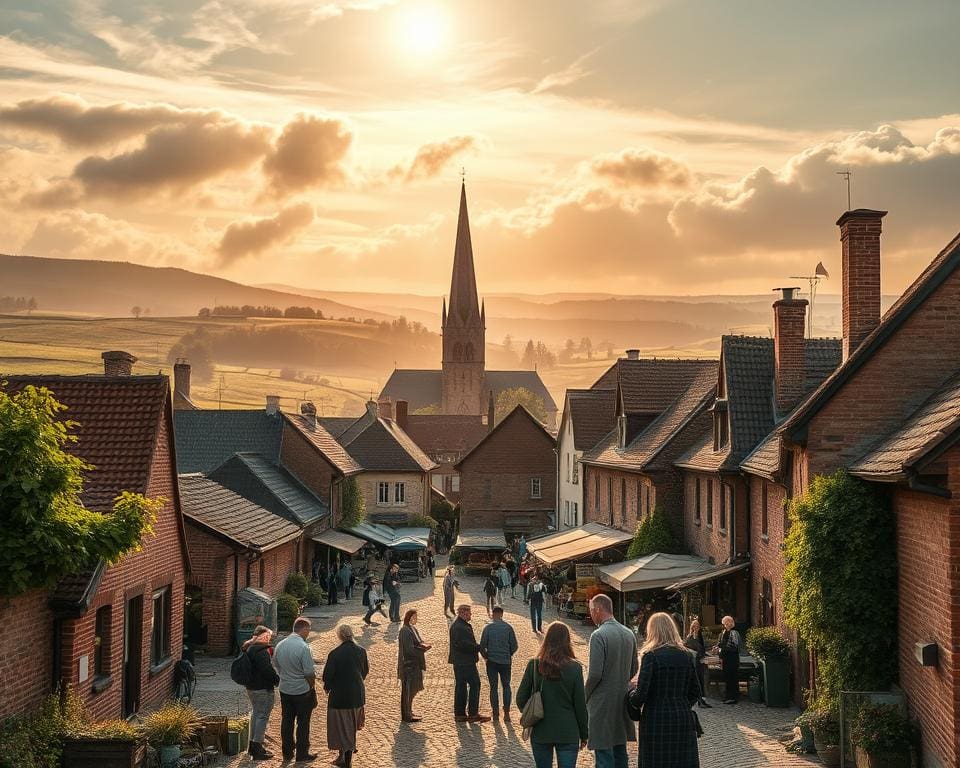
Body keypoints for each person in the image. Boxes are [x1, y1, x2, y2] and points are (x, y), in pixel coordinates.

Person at [628, 613, 701, 767]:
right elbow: (696, 691)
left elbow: (641, 695)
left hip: (656, 719)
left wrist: (630, 695)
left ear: (652, 631)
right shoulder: (686, 655)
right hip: (682, 717)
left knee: (656, 762)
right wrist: (681, 705)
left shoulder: (651, 656)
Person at [516, 622, 588, 768]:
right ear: (567, 641)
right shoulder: (575, 668)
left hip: (541, 730)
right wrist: (584, 733)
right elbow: (580, 705)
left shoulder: (534, 665)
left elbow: (520, 699)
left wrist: (533, 712)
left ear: (547, 639)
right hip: (567, 731)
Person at [585, 594, 638, 768]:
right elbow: (634, 668)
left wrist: (584, 695)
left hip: (602, 702)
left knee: (604, 752)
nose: (591, 614)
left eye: (591, 610)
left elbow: (594, 674)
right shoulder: (629, 633)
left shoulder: (598, 635)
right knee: (619, 749)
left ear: (599, 610)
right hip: (622, 700)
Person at [322, 624, 369, 768]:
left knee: (342, 728)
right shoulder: (361, 651)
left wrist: (327, 687)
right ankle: (343, 757)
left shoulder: (335, 653)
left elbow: (327, 676)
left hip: (340, 697)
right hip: (357, 695)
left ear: (340, 636)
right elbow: (365, 671)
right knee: (351, 727)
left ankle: (346, 760)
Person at [273, 617, 318, 763]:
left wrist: (285, 676)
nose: (309, 633)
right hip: (301, 690)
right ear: (303, 629)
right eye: (309, 630)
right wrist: (312, 686)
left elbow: (277, 665)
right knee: (303, 722)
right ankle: (302, 753)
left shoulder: (280, 645)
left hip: (285, 689)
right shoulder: (304, 647)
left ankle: (287, 752)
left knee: (286, 720)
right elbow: (309, 673)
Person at [448, 604, 491, 724]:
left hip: (460, 661)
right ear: (462, 613)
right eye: (469, 613)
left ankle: (460, 714)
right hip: (465, 661)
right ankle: (473, 713)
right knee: (475, 684)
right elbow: (462, 645)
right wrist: (479, 647)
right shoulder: (460, 627)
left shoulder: (459, 625)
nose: (470, 615)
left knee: (461, 687)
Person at [241, 625, 280, 761]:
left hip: (251, 687)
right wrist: (277, 680)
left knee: (256, 714)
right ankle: (258, 748)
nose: (270, 638)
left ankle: (252, 745)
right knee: (262, 716)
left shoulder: (249, 648)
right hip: (262, 688)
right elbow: (267, 670)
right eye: (268, 636)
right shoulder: (261, 651)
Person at [479, 606, 519, 721]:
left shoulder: (488, 628)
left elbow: (482, 646)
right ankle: (506, 713)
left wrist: (486, 657)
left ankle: (495, 712)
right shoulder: (508, 628)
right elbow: (515, 646)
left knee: (493, 686)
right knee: (506, 686)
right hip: (505, 662)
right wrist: (508, 654)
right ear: (502, 614)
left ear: (493, 614)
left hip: (492, 661)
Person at [398, 609, 432, 722]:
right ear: (409, 618)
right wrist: (422, 649)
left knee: (414, 688)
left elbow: (418, 642)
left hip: (415, 663)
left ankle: (409, 711)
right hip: (409, 665)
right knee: (408, 690)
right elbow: (409, 649)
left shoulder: (413, 629)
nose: (416, 619)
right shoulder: (405, 631)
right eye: (414, 617)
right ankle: (407, 714)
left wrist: (424, 645)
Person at [714, 615, 742, 704]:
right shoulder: (723, 633)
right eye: (725, 623)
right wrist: (716, 647)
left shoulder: (734, 633)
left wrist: (721, 648)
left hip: (732, 659)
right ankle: (728, 696)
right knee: (727, 678)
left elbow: (734, 647)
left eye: (728, 623)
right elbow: (720, 643)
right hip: (725, 659)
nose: (726, 625)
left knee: (733, 678)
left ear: (731, 623)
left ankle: (733, 697)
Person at [683, 618, 711, 708]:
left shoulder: (700, 635)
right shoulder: (690, 637)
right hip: (695, 662)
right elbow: (688, 648)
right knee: (698, 680)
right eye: (695, 626)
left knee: (703, 681)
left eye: (698, 626)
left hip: (701, 661)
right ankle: (700, 701)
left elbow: (702, 647)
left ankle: (702, 700)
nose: (696, 627)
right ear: (692, 627)